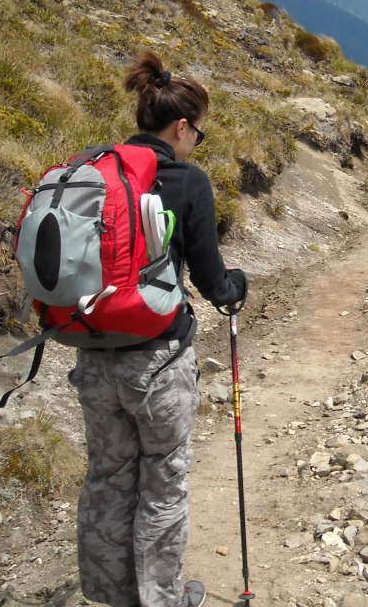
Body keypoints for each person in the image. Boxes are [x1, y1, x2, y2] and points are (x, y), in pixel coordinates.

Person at [68, 50, 247, 607]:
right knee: (163, 484)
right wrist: (236, 287)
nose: (198, 143)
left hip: (93, 355)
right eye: (200, 132)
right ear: (182, 126)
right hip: (158, 362)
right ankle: (161, 600)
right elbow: (215, 283)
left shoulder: (95, 169)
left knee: (108, 476)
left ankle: (108, 594)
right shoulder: (186, 181)